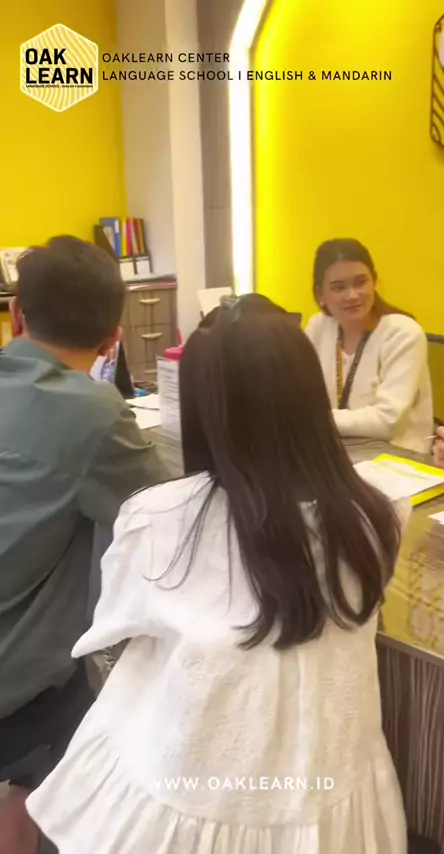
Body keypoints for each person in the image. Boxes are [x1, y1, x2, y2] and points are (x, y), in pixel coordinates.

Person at [27, 298, 409, 853]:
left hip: (193, 778)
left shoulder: (157, 517)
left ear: (203, 407)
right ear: (310, 396)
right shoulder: (381, 510)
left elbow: (114, 627)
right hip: (331, 775)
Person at [0, 237, 166, 799]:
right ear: (113, 338)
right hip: (16, 699)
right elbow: (163, 512)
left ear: (17, 315)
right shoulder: (92, 411)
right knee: (118, 688)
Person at [305, 238, 433, 454]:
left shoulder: (403, 333)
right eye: (339, 287)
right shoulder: (319, 326)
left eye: (360, 282)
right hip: (335, 448)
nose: (352, 295)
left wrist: (314, 420)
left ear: (374, 281)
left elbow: (387, 422)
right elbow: (299, 395)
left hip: (395, 455)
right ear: (320, 294)